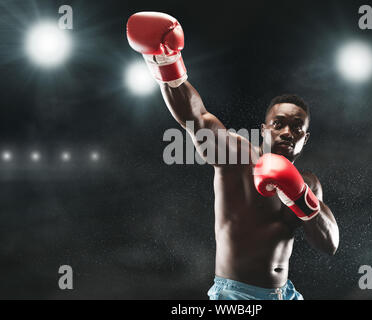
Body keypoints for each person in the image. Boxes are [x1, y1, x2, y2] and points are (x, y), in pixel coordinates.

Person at [126, 11, 339, 300]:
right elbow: (196, 117)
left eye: (297, 128)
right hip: (235, 297)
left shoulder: (308, 183)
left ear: (305, 138)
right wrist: (166, 62)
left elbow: (330, 245)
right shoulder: (238, 155)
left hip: (286, 295)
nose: (287, 132)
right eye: (278, 124)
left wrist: (301, 197)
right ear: (264, 129)